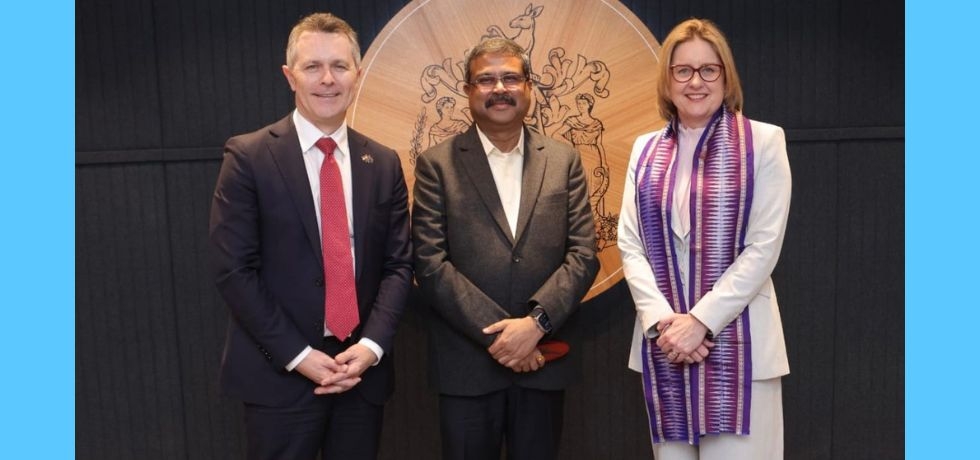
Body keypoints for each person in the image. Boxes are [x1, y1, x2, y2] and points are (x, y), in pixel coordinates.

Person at [208, 12, 412, 460]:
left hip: (361, 375)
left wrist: (371, 347)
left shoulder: (383, 162)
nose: (327, 80)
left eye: (339, 66)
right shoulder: (248, 156)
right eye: (312, 66)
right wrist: (300, 356)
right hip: (278, 373)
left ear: (357, 74)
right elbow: (233, 270)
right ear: (290, 76)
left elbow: (399, 265)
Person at [412, 37, 599, 460]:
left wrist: (534, 325)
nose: (500, 88)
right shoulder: (436, 164)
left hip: (544, 362)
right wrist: (506, 338)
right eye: (486, 79)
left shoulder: (563, 160)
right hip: (467, 368)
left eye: (511, 77)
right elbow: (430, 263)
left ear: (529, 87)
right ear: (467, 91)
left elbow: (583, 254)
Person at [617, 18, 792, 459]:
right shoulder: (644, 148)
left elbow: (763, 247)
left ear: (726, 76)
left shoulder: (764, 142)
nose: (696, 82)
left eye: (708, 70)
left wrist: (700, 322)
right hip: (666, 348)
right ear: (668, 79)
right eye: (683, 70)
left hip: (740, 347)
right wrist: (663, 325)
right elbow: (630, 244)